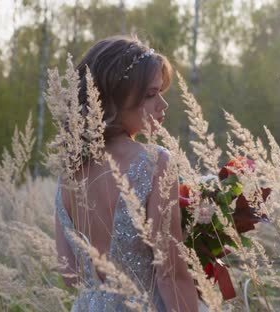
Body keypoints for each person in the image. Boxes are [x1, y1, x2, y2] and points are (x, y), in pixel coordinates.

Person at [54, 35, 199, 311]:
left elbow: (69, 274)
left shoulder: (68, 170)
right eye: (150, 94)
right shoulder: (156, 162)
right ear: (113, 99)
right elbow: (171, 275)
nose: (163, 105)